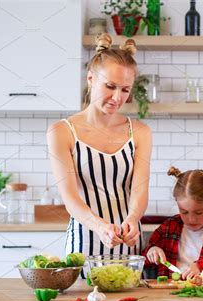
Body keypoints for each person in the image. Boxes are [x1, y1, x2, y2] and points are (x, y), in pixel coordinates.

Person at [47, 34, 152, 268]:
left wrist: (133, 219)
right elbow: (70, 198)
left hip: (129, 244)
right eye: (110, 86)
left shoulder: (140, 132)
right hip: (84, 244)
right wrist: (100, 226)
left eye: (125, 90)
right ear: (91, 79)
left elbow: (139, 189)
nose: (117, 97)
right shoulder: (62, 132)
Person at [142, 166, 203, 280]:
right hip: (168, 292)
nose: (191, 219)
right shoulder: (169, 226)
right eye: (184, 212)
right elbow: (143, 258)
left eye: (198, 212)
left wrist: (201, 266)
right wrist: (151, 251)